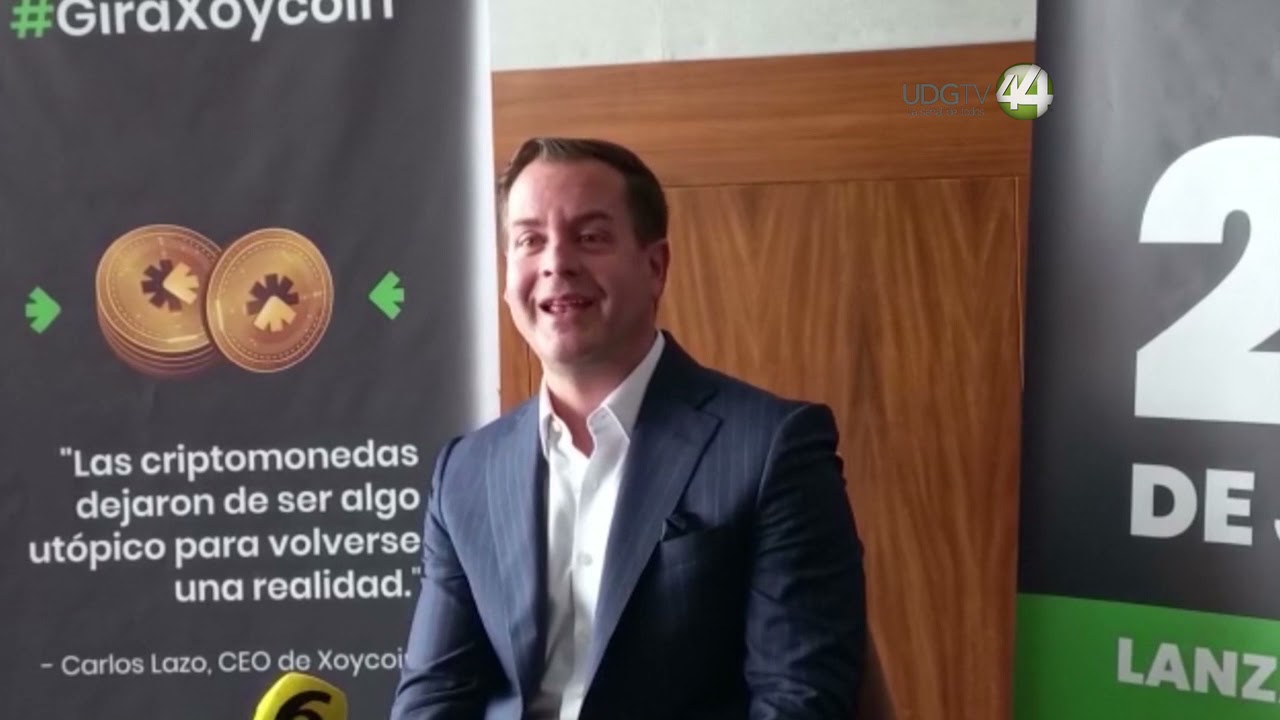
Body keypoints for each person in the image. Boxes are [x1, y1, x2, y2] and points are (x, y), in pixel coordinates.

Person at [390, 137, 867, 719]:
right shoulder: (465, 471)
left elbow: (801, 701)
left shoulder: (771, 447)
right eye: (530, 240)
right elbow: (434, 695)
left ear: (655, 266)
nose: (557, 263)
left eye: (590, 237)